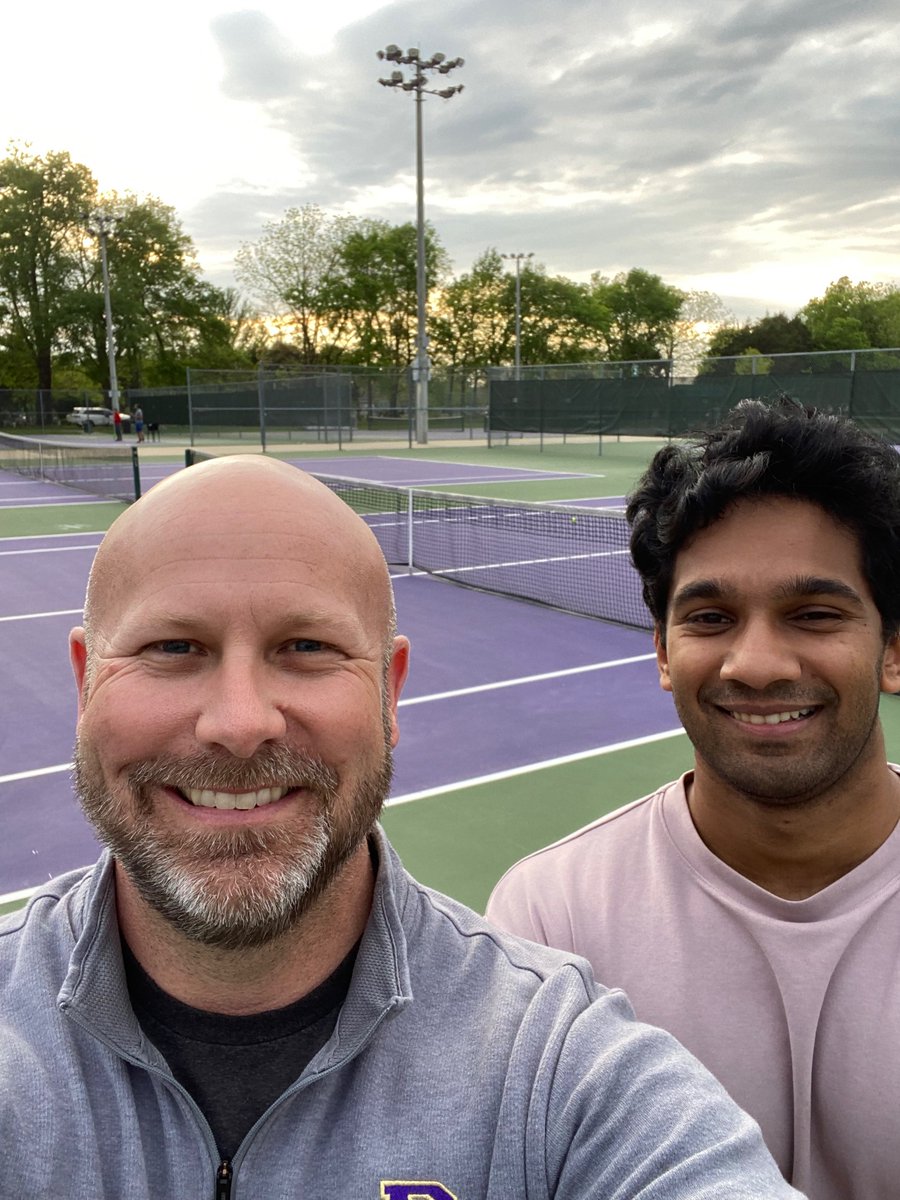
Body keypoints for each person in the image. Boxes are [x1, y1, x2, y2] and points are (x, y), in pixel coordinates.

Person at [0, 455, 801, 1200]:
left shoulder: (557, 1068)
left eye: (306, 647)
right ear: (84, 684)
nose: (239, 723)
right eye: (172, 647)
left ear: (391, 696)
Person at [487, 398, 900, 1200]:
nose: (754, 663)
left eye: (813, 614)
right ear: (665, 654)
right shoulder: (549, 920)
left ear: (893, 651)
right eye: (711, 617)